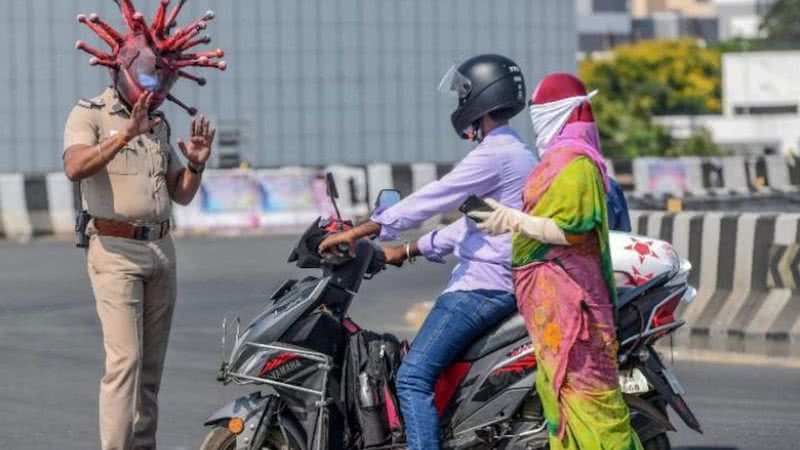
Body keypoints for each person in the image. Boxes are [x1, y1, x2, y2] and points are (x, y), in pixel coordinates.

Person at [319, 54, 537, 450]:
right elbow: (472, 224)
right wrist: (405, 250)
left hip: (482, 289)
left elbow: (435, 197)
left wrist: (364, 230)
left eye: (463, 95)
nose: (458, 106)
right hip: (498, 284)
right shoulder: (515, 152)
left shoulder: (495, 155)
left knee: (412, 376)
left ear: (481, 98)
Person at [64, 2, 225, 448]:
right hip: (114, 253)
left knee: (150, 371)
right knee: (126, 363)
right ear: (122, 68)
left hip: (161, 251)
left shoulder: (157, 122)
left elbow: (180, 192)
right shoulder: (89, 114)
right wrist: (124, 135)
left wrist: (195, 166)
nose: (155, 88)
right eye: (150, 77)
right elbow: (76, 168)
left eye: (162, 80)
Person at [471, 73, 643, 450]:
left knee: (591, 402)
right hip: (554, 307)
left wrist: (517, 221)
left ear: (555, 113)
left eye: (539, 110)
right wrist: (511, 221)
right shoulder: (557, 159)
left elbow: (575, 231)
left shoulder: (575, 163)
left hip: (573, 308)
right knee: (563, 401)